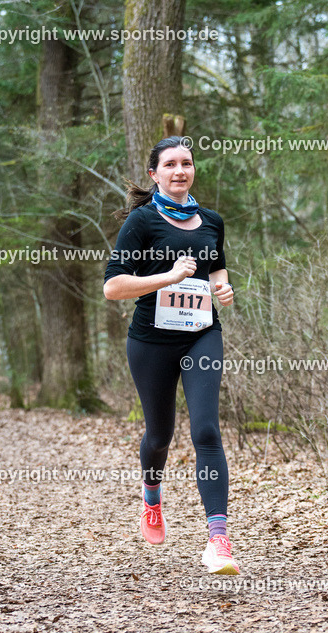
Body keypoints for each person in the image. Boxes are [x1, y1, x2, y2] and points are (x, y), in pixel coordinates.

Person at [103, 136, 239, 575]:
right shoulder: (141, 222)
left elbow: (215, 268)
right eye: (171, 164)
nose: (180, 171)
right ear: (154, 174)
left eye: (187, 163)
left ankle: (218, 540)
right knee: (159, 436)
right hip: (151, 342)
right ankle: (151, 493)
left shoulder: (212, 220)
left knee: (205, 430)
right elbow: (112, 287)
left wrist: (222, 287)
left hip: (201, 334)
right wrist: (167, 276)